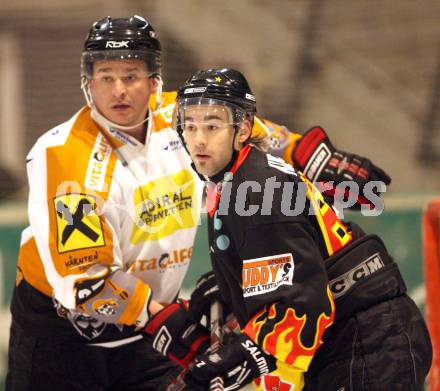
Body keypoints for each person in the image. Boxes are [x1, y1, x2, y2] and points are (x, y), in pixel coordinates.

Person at [6, 15, 391, 391]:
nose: (118, 90)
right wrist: (160, 319)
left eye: (131, 76)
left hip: (147, 331)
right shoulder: (63, 154)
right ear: (88, 82)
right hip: (61, 339)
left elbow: (251, 129)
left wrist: (309, 154)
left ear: (154, 80)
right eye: (106, 77)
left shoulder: (183, 117)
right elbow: (85, 280)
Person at [171, 67, 432, 390]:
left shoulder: (252, 189)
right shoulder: (240, 178)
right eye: (190, 125)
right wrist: (237, 285)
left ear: (243, 130)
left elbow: (302, 306)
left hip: (366, 344)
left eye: (212, 126)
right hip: (359, 338)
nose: (198, 139)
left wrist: (243, 356)